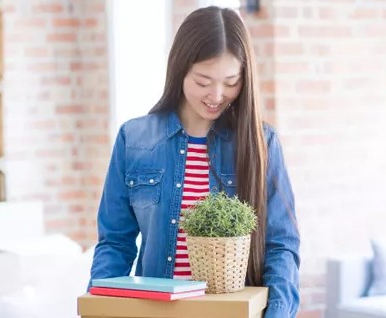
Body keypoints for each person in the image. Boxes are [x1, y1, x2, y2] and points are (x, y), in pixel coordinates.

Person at [89, 6, 300, 317]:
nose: (216, 94)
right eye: (203, 81)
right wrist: (97, 309)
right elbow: (115, 244)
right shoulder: (135, 139)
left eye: (231, 82)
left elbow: (281, 246)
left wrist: (277, 313)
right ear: (180, 69)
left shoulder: (260, 143)